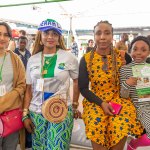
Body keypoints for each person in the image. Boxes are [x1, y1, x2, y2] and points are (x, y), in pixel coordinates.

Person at [78, 20, 143, 150]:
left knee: (119, 124)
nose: (102, 37)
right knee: (96, 125)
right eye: (99, 33)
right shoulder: (85, 59)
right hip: (95, 101)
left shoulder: (123, 57)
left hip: (121, 101)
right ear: (94, 36)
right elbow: (83, 88)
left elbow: (138, 80)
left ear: (112, 36)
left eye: (107, 33)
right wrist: (101, 103)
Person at [22, 18, 81, 150]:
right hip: (36, 112)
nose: (50, 37)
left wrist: (75, 105)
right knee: (39, 148)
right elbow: (29, 89)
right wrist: (25, 114)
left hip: (61, 110)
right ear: (40, 36)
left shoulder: (69, 58)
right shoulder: (32, 60)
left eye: (54, 34)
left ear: (59, 37)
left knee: (57, 147)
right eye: (46, 33)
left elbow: (76, 81)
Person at [120, 36, 150, 150]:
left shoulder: (148, 68)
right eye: (135, 49)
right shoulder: (124, 69)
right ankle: (134, 144)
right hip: (135, 108)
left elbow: (146, 96)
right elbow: (123, 95)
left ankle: (134, 144)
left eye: (143, 50)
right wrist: (127, 83)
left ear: (148, 52)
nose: (138, 53)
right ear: (130, 50)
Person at [0, 22, 26, 150]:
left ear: (9, 38)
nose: (2, 38)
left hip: (10, 115)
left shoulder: (15, 59)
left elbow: (22, 85)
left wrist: (4, 102)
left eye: (5, 35)